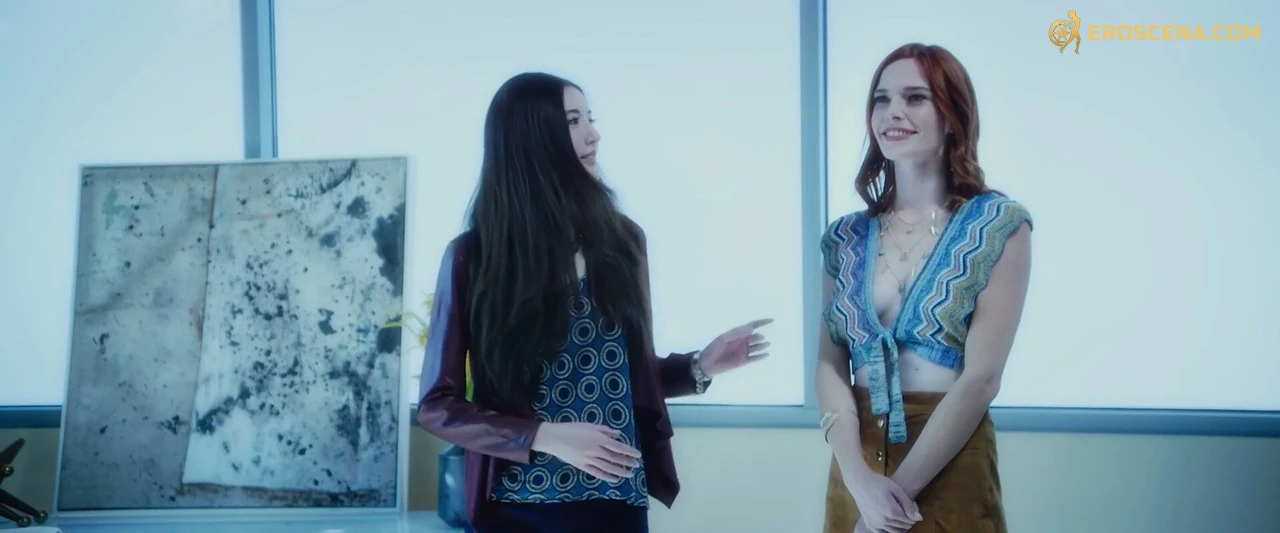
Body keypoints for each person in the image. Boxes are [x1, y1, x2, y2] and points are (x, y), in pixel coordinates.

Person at [416, 71, 773, 533]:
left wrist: (699, 367)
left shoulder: (624, 243)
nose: (593, 134)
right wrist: (544, 435)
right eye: (573, 120)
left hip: (616, 502)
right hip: (516, 508)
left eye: (590, 118)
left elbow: (620, 372)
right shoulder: (473, 257)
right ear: (530, 138)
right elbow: (437, 406)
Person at [816, 43, 1033, 533]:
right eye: (881, 99)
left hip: (947, 462)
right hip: (856, 469)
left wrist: (890, 502)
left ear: (952, 115)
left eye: (915, 98)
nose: (892, 112)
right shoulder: (844, 237)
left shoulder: (998, 225)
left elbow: (982, 379)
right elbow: (829, 366)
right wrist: (858, 480)